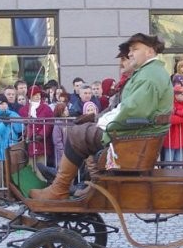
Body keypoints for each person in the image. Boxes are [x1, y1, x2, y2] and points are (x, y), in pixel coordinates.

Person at [30, 33, 173, 200]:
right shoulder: (148, 73)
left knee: (77, 134)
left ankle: (60, 187)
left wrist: (103, 123)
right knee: (81, 133)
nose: (131, 53)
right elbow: (130, 108)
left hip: (132, 136)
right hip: (136, 134)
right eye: (131, 50)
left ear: (150, 52)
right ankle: (89, 184)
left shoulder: (149, 76)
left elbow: (133, 111)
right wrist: (99, 120)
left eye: (135, 49)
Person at [0, 94, 23, 191]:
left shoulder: (13, 114)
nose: (4, 106)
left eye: (5, 103)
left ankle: (10, 195)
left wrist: (14, 120)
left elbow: (20, 129)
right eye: (1, 104)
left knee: (11, 176)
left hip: (10, 150)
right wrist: (3, 123)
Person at [19, 85, 54, 178]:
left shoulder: (46, 109)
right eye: (35, 94)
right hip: (29, 143)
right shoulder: (24, 110)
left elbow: (49, 123)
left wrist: (41, 135)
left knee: (42, 167)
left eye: (39, 94)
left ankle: (42, 186)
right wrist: (29, 132)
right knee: (30, 167)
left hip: (42, 143)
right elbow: (23, 125)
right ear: (30, 96)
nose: (38, 96)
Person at [162, 85, 183, 166]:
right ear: (176, 95)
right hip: (170, 139)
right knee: (168, 164)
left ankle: (178, 179)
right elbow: (169, 118)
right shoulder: (168, 103)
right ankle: (168, 179)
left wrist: (177, 111)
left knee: (179, 164)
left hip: (182, 138)